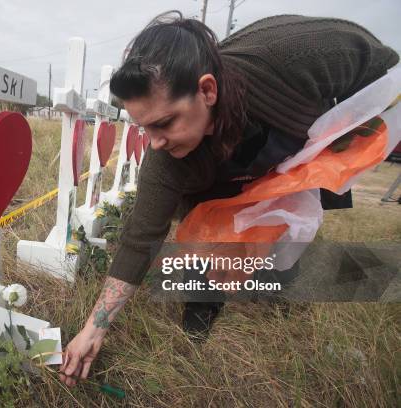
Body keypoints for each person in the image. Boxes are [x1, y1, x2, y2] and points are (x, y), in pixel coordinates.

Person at [60, 12, 399, 387]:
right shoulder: (168, 159)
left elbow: (382, 66)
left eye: (164, 122)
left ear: (207, 90)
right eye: (145, 127)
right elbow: (141, 238)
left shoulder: (299, 52)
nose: (153, 142)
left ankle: (278, 278)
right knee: (211, 240)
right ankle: (204, 302)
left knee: (281, 230)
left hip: (290, 143)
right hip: (215, 173)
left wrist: (351, 130)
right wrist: (94, 329)